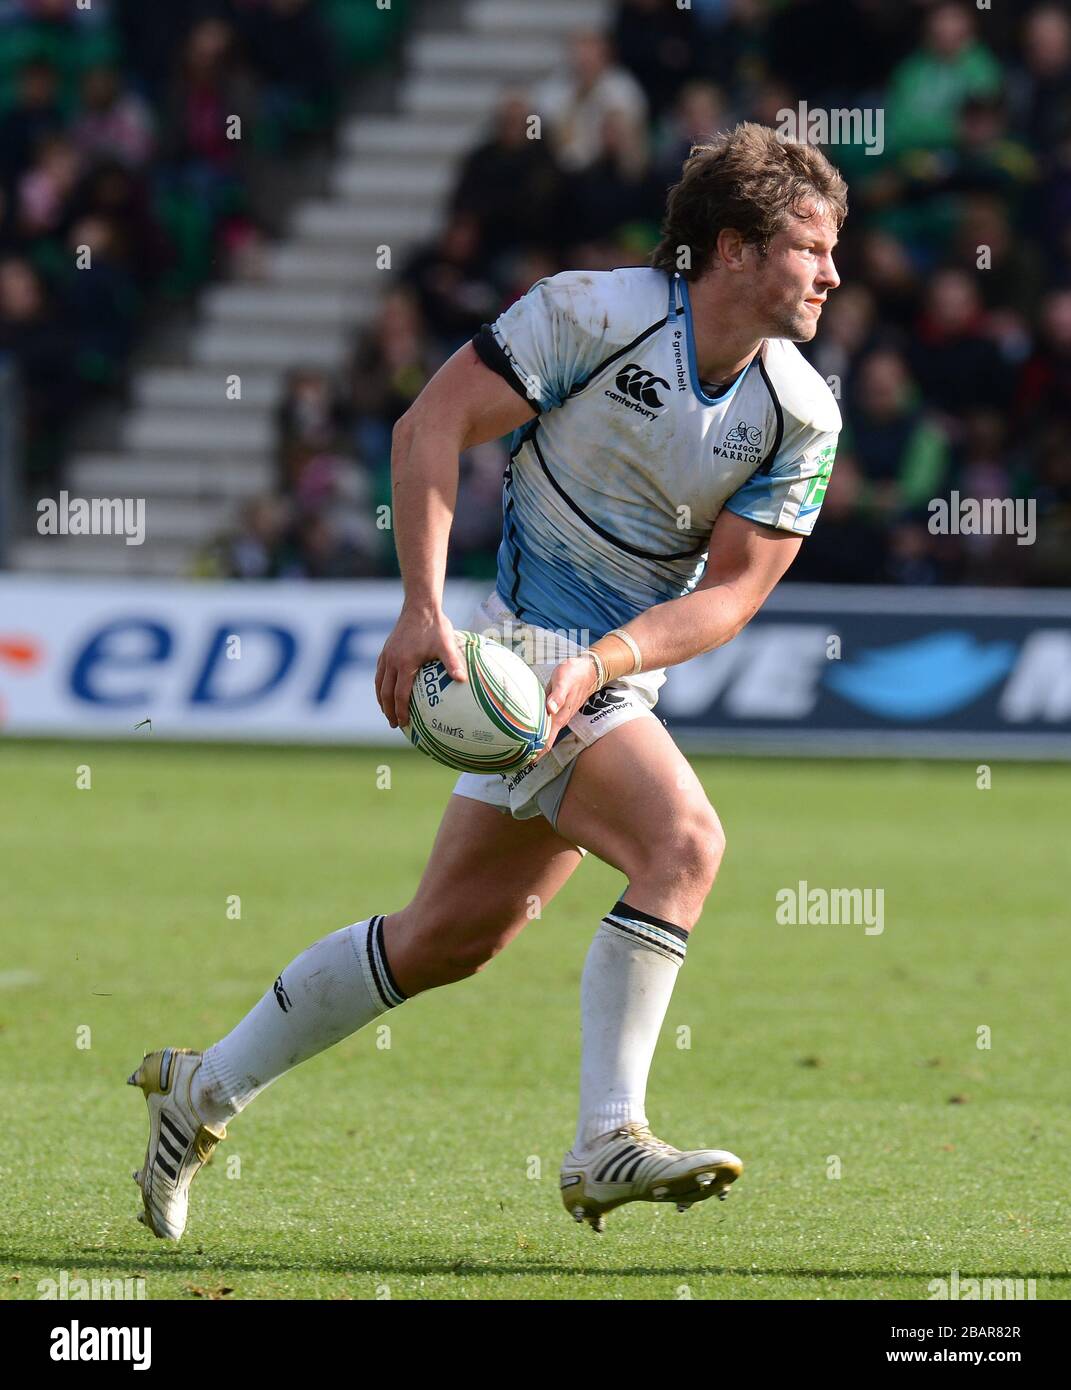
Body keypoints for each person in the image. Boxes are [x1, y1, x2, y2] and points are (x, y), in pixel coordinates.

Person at [128, 122, 846, 1239]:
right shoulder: (590, 317)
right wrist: (422, 607)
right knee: (686, 844)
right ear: (734, 246)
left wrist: (612, 662)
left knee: (446, 938)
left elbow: (736, 595)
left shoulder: (803, 412)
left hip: (608, 671)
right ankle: (608, 1136)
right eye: (811, 246)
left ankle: (201, 1088)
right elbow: (434, 423)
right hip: (519, 651)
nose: (833, 272)